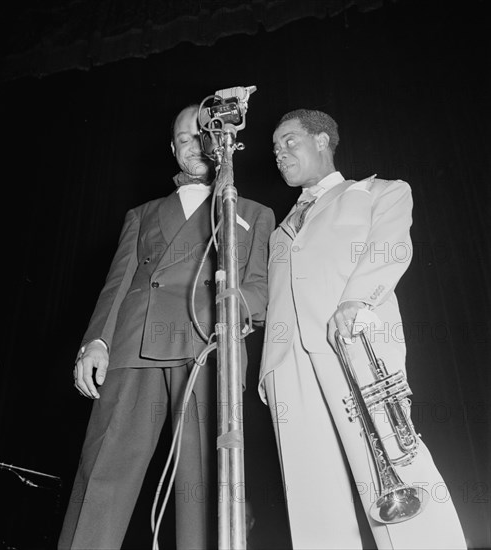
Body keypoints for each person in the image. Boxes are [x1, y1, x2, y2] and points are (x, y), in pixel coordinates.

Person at [58, 104, 275, 550]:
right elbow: (117, 283)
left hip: (208, 348)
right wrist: (95, 341)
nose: (193, 145)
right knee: (103, 472)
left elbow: (259, 290)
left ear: (222, 141)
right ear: (173, 150)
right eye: (182, 139)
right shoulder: (142, 213)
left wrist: (230, 310)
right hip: (133, 346)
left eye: (202, 135)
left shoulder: (253, 212)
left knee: (203, 484)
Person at [259, 109, 467, 550]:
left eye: (289, 141)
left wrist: (356, 301)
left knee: (394, 461)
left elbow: (388, 248)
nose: (279, 153)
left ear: (322, 140)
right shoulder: (278, 233)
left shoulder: (379, 192)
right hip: (288, 363)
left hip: (353, 341)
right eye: (275, 148)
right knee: (309, 488)